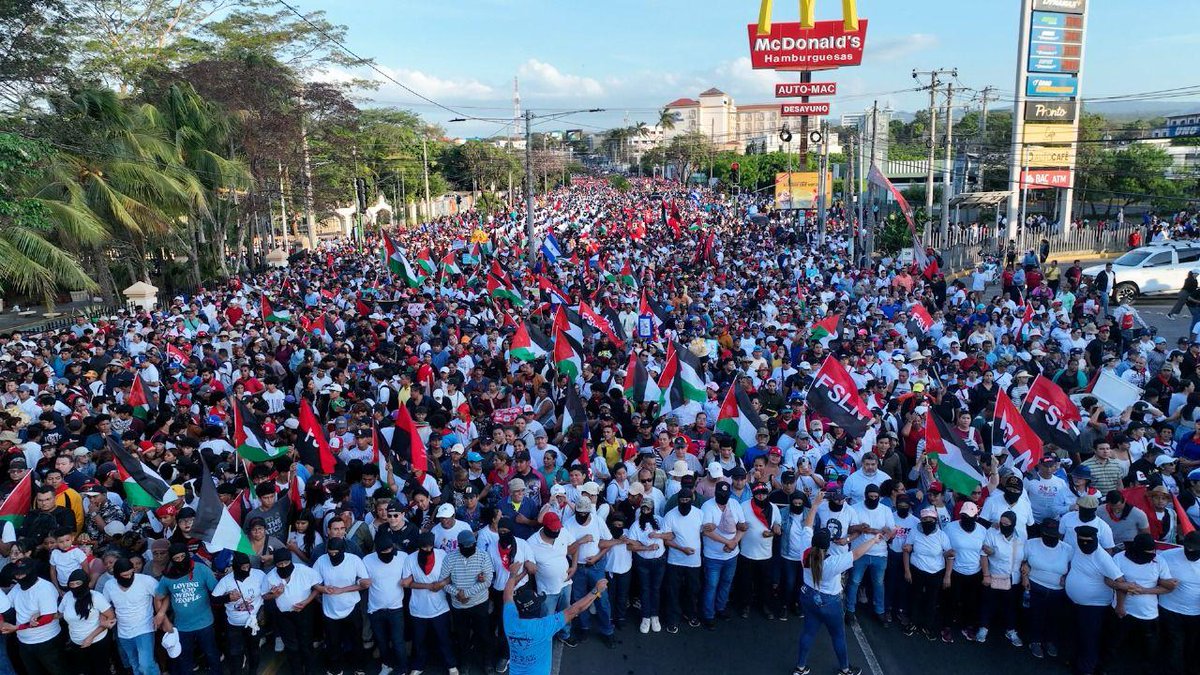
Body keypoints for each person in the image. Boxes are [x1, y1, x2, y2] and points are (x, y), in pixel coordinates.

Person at [791, 527, 885, 675]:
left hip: (808, 597)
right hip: (830, 602)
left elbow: (807, 526)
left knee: (808, 632)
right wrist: (874, 540)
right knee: (838, 636)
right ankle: (845, 669)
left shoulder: (805, 552)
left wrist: (814, 506)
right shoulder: (832, 563)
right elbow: (856, 553)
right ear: (827, 546)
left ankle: (800, 667)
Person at [502, 560, 607, 675]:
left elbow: (507, 594)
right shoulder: (545, 626)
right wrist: (596, 590)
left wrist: (513, 575)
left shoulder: (510, 619)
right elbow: (576, 609)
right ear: (538, 609)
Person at [154, 542, 221, 675]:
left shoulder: (202, 569)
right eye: (176, 559)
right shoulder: (168, 576)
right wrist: (163, 617)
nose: (180, 561)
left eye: (182, 557)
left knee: (212, 655)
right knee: (185, 661)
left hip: (205, 623)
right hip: (182, 626)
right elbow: (159, 597)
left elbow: (216, 591)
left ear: (187, 555)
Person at [313, 537, 371, 675]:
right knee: (333, 642)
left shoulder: (354, 560)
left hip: (352, 607)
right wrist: (323, 589)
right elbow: (313, 581)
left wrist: (342, 590)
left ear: (343, 551)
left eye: (336, 553)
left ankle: (359, 667)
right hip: (330, 610)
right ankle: (335, 669)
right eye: (330, 553)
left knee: (356, 639)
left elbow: (365, 583)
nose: (333, 555)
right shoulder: (321, 560)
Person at [4, 559, 70, 675]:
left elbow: (47, 618)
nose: (19, 577)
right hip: (24, 643)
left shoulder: (45, 588)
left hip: (47, 642)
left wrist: (17, 628)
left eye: (22, 573)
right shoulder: (17, 588)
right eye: (17, 574)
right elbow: (4, 606)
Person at [1020, 518, 1071, 659]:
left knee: (1054, 618)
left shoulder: (1067, 549)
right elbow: (1023, 562)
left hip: (1057, 591)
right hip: (1035, 587)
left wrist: (1066, 577)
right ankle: (1035, 641)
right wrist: (1024, 577)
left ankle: (1050, 641)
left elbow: (1071, 568)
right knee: (1036, 616)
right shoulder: (1030, 544)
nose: (1051, 537)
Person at [104, 557, 162, 675]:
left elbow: (162, 596)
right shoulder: (109, 585)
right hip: (123, 633)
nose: (129, 577)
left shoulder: (146, 581)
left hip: (144, 629)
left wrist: (160, 614)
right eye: (125, 575)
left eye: (131, 573)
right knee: (134, 665)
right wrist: (104, 620)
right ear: (116, 575)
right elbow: (104, 606)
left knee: (146, 665)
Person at [361, 531, 408, 675]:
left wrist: (408, 581)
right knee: (381, 641)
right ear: (377, 550)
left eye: (390, 550)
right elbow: (362, 579)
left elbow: (410, 575)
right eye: (384, 551)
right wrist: (362, 582)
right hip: (375, 609)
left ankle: (403, 668)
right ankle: (387, 664)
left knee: (398, 641)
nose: (388, 553)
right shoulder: (367, 560)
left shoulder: (403, 557)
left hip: (396, 608)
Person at [211, 552, 266, 675]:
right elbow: (213, 598)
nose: (246, 570)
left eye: (248, 566)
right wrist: (228, 598)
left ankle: (253, 671)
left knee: (254, 650)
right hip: (234, 624)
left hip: (254, 622)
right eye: (243, 567)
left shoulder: (259, 575)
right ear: (236, 567)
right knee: (235, 652)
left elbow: (266, 592)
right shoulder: (226, 581)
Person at [1157, 530, 1200, 675]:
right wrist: (1164, 581)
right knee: (1174, 645)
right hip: (1169, 610)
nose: (1191, 551)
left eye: (1195, 549)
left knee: (1192, 646)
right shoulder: (1168, 556)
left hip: (1195, 614)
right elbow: (1153, 573)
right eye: (1188, 548)